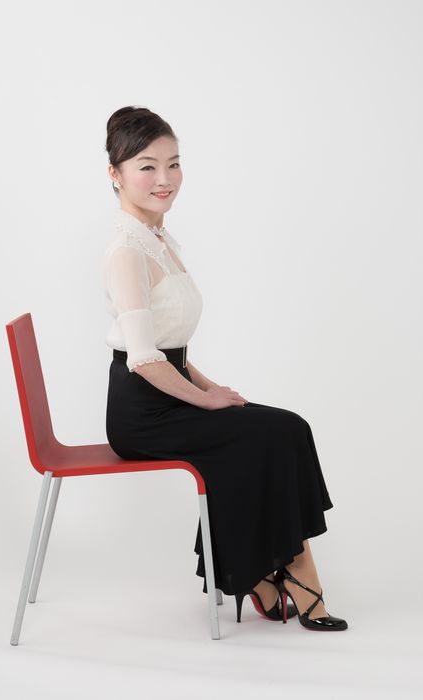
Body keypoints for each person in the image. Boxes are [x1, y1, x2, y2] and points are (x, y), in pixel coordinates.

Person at [103, 105, 348, 632]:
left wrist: (213, 387)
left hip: (168, 394)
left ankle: (263, 573)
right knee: (275, 432)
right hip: (143, 413)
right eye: (147, 166)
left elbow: (171, 348)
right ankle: (297, 580)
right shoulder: (127, 251)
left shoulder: (158, 241)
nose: (165, 179)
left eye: (173, 164)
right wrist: (205, 399)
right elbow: (143, 359)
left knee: (284, 429)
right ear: (115, 174)